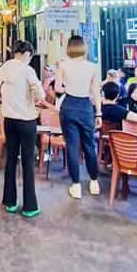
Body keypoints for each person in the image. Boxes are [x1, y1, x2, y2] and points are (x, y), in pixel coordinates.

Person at [0, 40, 44, 218]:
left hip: (9, 120)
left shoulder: (4, 68)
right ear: (26, 54)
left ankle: (10, 202)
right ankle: (30, 206)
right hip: (27, 121)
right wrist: (35, 100)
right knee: (28, 162)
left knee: (11, 159)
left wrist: (5, 98)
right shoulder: (27, 70)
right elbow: (40, 93)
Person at [54, 36, 102, 200]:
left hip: (69, 106)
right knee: (89, 145)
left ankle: (76, 185)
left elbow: (58, 87)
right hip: (86, 107)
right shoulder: (93, 67)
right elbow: (96, 92)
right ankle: (94, 182)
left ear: (69, 48)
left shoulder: (63, 65)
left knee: (72, 146)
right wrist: (99, 113)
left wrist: (69, 86)